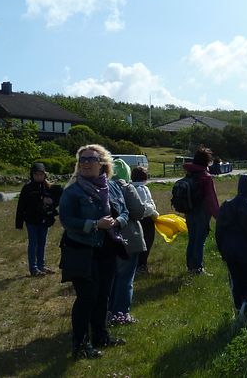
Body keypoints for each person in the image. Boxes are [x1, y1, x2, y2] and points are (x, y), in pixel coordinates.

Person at [59, 144, 129, 359]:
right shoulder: (73, 191)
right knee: (86, 298)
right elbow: (67, 220)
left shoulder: (113, 187)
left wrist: (117, 221)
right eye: (82, 160)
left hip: (106, 250)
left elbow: (125, 212)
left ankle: (100, 336)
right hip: (81, 250)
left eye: (91, 159)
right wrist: (94, 224)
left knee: (102, 296)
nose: (86, 163)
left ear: (103, 164)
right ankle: (80, 345)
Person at [215, 174, 247, 321]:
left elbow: (219, 232)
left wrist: (222, 251)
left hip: (230, 251)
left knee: (236, 281)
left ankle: (239, 309)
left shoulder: (226, 205)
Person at [108, 158, 147, 326]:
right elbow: (138, 212)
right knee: (125, 278)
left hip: (109, 238)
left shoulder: (103, 187)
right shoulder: (126, 187)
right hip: (128, 238)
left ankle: (108, 311)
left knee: (111, 277)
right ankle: (121, 313)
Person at [15, 162, 62, 277]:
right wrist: (19, 223)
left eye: (41, 174)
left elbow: (58, 197)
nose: (39, 176)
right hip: (31, 220)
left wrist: (51, 202)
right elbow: (21, 205)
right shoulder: (27, 188)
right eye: (36, 174)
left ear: (44, 175)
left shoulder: (48, 187)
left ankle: (41, 266)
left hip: (44, 220)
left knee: (42, 243)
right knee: (33, 244)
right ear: (32, 175)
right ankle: (33, 268)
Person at [182, 146, 220, 274]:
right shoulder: (206, 177)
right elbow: (211, 199)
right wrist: (218, 216)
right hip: (202, 214)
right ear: (207, 161)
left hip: (189, 211)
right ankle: (197, 268)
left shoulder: (190, 173)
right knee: (199, 241)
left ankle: (190, 266)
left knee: (192, 239)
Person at [133, 167, 159, 274]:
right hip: (145, 220)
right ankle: (141, 266)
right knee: (147, 242)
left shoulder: (131, 187)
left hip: (136, 220)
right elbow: (145, 206)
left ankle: (138, 265)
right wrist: (154, 213)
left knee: (139, 243)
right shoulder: (141, 189)